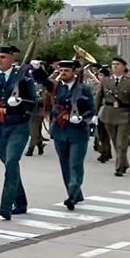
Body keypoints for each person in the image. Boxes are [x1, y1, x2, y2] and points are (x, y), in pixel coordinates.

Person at [0, 45, 40, 220]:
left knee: (11, 163)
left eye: (3, 57)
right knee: (10, 166)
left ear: (12, 59)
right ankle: (21, 202)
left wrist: (20, 102)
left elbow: (33, 102)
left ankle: (6, 207)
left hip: (18, 126)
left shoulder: (24, 78)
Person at [47, 60, 94, 210]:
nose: (63, 73)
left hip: (78, 132)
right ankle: (75, 193)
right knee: (65, 165)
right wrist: (35, 69)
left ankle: (72, 197)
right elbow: (42, 81)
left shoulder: (84, 89)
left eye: (66, 71)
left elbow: (92, 109)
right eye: (61, 71)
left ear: (74, 72)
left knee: (75, 164)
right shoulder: (56, 87)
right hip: (60, 130)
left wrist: (81, 118)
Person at [96, 57, 130, 177]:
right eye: (113, 64)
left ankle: (119, 167)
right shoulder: (105, 81)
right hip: (108, 114)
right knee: (115, 141)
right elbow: (98, 98)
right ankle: (124, 162)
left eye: (117, 64)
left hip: (124, 115)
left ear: (124, 67)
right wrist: (95, 114)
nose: (115, 66)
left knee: (121, 143)